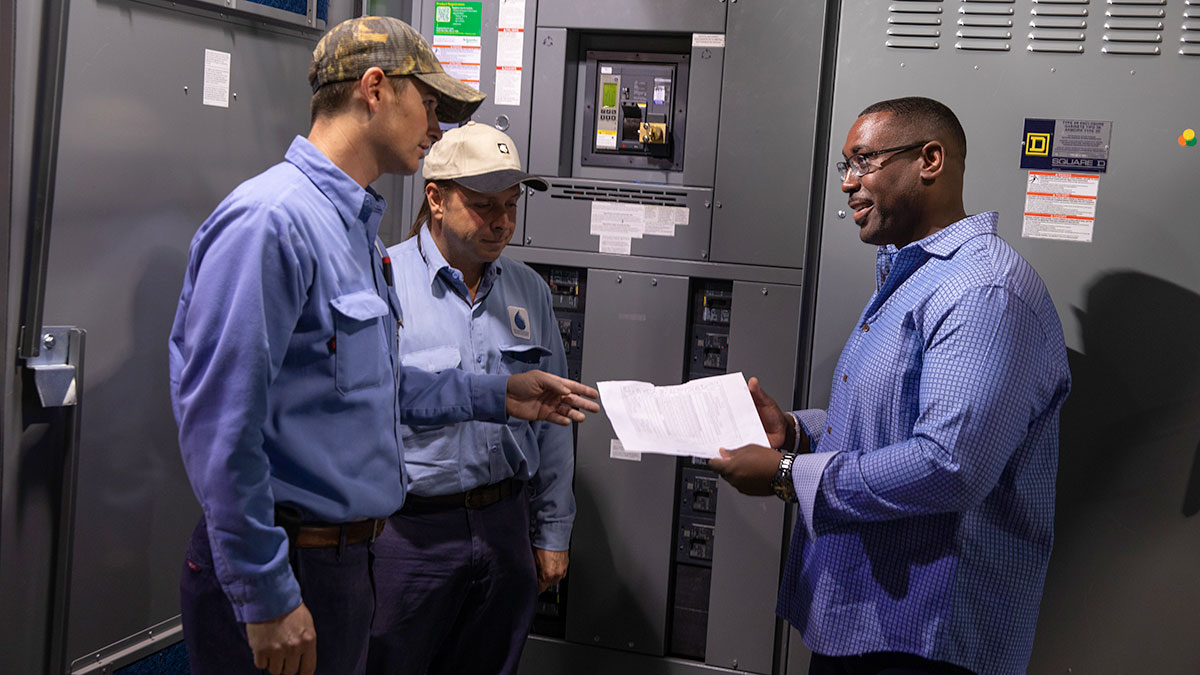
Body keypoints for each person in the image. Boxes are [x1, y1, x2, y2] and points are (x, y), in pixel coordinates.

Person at [167, 17, 599, 675]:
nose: (435, 126)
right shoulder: (273, 222)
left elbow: (378, 387)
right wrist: (265, 592)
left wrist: (498, 393)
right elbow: (221, 430)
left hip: (343, 564)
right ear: (374, 89)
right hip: (286, 563)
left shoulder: (353, 232)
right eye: (429, 104)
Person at [709, 97, 1071, 675]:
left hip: (927, 639)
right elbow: (892, 422)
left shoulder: (983, 292)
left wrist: (785, 476)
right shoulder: (917, 275)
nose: (849, 184)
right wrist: (796, 433)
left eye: (864, 161)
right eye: (844, 167)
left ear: (930, 160)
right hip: (868, 620)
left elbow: (949, 466)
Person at [366, 122, 567, 674]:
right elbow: (370, 405)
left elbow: (553, 426)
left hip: (506, 526)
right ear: (435, 198)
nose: (502, 222)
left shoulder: (529, 290)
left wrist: (552, 531)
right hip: (409, 535)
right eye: (483, 206)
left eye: (511, 204)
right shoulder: (384, 281)